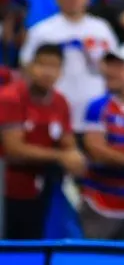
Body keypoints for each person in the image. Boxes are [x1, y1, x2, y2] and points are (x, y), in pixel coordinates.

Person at [0, 44, 87, 239]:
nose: (47, 72)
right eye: (42, 64)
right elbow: (14, 150)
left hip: (40, 190)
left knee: (33, 245)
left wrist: (74, 157)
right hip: (6, 191)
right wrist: (61, 156)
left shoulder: (60, 101)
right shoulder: (10, 97)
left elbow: (67, 142)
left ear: (61, 71)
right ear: (30, 66)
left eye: (54, 66)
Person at [19, 0, 119, 133]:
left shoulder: (102, 29)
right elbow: (26, 68)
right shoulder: (41, 31)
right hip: (55, 110)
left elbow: (115, 68)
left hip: (94, 113)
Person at [80, 43, 124, 240]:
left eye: (121, 66)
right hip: (99, 207)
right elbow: (96, 150)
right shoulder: (98, 106)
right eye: (110, 65)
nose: (111, 71)